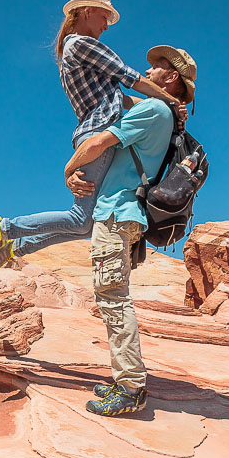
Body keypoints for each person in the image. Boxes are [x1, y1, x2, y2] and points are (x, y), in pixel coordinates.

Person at [0, 0, 187, 279]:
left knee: (87, 224)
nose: (107, 25)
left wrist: (165, 106)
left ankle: (13, 247)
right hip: (97, 134)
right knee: (81, 220)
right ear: (87, 11)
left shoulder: (77, 50)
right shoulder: (81, 43)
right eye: (105, 16)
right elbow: (131, 79)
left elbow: (123, 98)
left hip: (94, 132)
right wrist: (170, 100)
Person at [62, 45, 196, 417]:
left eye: (157, 68)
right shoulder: (162, 112)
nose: (148, 70)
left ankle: (131, 387)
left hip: (116, 214)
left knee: (113, 298)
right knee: (113, 296)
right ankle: (126, 379)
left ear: (171, 78)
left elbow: (100, 141)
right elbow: (122, 96)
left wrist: (68, 169)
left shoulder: (154, 110)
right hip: (126, 216)